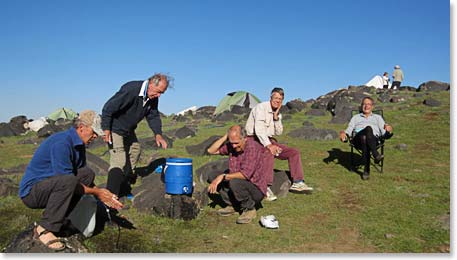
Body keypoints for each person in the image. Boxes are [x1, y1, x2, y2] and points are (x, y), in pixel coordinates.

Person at [19, 110, 123, 251]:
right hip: (32, 193)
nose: (95, 136)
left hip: (52, 185)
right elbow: (68, 181)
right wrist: (97, 193)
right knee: (68, 181)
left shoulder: (79, 145)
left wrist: (104, 195)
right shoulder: (62, 143)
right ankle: (44, 229)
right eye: (94, 132)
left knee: (87, 174)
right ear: (81, 128)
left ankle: (64, 219)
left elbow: (81, 178)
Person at [101, 73, 172, 197]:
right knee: (119, 160)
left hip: (128, 130)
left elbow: (153, 116)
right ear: (151, 84)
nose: (159, 95)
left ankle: (124, 184)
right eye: (158, 91)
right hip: (115, 128)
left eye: (162, 93)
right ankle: (109, 197)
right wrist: (106, 129)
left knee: (135, 150)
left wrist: (158, 134)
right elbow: (108, 108)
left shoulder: (152, 98)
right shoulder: (131, 89)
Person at [245, 87, 313, 201]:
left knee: (293, 152)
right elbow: (259, 130)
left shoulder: (277, 113)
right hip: (254, 139)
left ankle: (298, 182)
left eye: (280, 99)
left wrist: (276, 118)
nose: (277, 101)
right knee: (269, 151)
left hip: (268, 140)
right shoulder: (261, 108)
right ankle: (264, 186)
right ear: (270, 97)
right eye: (275, 98)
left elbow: (279, 132)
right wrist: (269, 145)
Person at [206, 125, 268, 224]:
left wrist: (223, 176)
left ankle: (249, 209)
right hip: (238, 183)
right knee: (213, 175)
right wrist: (225, 137)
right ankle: (232, 205)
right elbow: (211, 151)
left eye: (236, 143)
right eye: (231, 143)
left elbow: (245, 175)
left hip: (255, 189)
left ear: (245, 138)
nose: (234, 146)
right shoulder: (232, 146)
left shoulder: (252, 148)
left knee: (234, 181)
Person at [339, 97, 393, 180]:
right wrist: (344, 134)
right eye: (364, 104)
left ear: (372, 107)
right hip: (357, 140)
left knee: (365, 137)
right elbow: (349, 129)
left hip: (374, 140)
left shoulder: (378, 117)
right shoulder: (356, 117)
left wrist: (388, 130)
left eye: (368, 104)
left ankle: (366, 170)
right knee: (367, 129)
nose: (366, 106)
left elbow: (383, 132)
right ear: (361, 106)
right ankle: (376, 154)